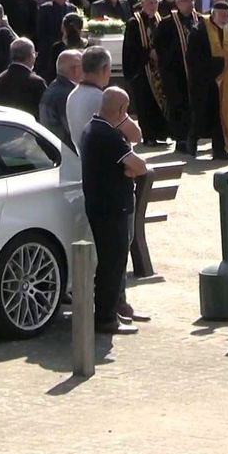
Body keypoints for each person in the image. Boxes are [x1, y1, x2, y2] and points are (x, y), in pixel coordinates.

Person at [81, 87, 149, 335]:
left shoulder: (92, 128)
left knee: (114, 262)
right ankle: (106, 318)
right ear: (121, 110)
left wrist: (129, 170)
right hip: (111, 208)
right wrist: (130, 170)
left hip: (103, 206)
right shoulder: (107, 135)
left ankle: (114, 309)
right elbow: (139, 166)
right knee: (112, 263)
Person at [186, 2, 228, 161]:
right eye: (222, 15)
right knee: (201, 115)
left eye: (227, 15)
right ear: (213, 13)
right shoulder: (199, 30)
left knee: (220, 117)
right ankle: (192, 141)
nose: (225, 19)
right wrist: (215, 66)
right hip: (204, 81)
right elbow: (194, 58)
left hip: (225, 82)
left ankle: (219, 150)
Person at [153, 0, 200, 154]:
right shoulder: (167, 23)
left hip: (195, 72)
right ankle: (181, 140)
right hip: (175, 72)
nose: (190, 4)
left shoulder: (199, 20)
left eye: (191, 0)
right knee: (178, 105)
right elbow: (159, 47)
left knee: (194, 105)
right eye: (186, 1)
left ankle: (194, 138)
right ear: (178, 4)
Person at [122, 0, 168, 146]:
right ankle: (148, 136)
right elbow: (131, 47)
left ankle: (160, 133)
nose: (153, 6)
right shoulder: (134, 22)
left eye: (155, 3)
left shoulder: (159, 19)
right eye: (150, 3)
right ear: (142, 4)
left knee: (159, 101)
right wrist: (148, 53)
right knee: (145, 103)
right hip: (141, 69)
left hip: (157, 69)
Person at [0, 38, 47, 118]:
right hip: (30, 128)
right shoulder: (37, 82)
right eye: (35, 54)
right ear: (30, 55)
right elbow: (45, 112)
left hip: (6, 126)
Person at [39, 50, 82, 151]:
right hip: (66, 153)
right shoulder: (66, 94)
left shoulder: (53, 87)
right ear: (75, 70)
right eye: (84, 66)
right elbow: (74, 131)